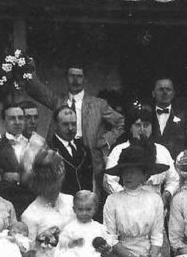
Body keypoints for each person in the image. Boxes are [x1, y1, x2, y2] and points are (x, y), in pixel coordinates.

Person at [26, 61, 123, 193]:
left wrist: (106, 139)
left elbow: (120, 122)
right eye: (72, 76)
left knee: (90, 195)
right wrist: (28, 70)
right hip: (62, 153)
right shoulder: (58, 101)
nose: (75, 80)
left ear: (85, 79)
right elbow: (37, 90)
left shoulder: (98, 104)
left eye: (79, 76)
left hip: (89, 156)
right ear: (66, 78)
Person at [102, 144, 168, 257]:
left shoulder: (154, 199)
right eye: (124, 172)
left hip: (149, 254)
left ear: (144, 175)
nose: (127, 176)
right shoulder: (113, 200)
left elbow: (157, 235)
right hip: (122, 255)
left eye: (133, 172)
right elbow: (110, 238)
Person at [104, 102, 179, 207]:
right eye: (138, 125)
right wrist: (127, 198)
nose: (142, 129)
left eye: (146, 125)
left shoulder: (162, 151)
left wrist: (166, 196)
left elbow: (174, 180)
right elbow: (109, 180)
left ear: (152, 127)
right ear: (130, 128)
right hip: (126, 205)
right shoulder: (119, 150)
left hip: (155, 206)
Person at [0, 103, 35, 215]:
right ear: (4, 122)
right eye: (12, 118)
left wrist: (18, 177)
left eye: (21, 118)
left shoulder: (36, 146)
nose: (17, 122)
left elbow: (46, 179)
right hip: (7, 209)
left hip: (35, 208)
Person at [48, 105, 94, 196]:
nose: (70, 128)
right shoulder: (48, 149)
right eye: (65, 124)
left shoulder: (84, 148)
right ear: (56, 125)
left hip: (84, 203)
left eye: (73, 124)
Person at [150, 77, 187, 156]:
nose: (165, 92)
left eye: (168, 89)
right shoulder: (147, 116)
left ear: (173, 94)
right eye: (160, 89)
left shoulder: (184, 116)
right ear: (153, 93)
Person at [20, 100, 48, 167]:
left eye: (35, 117)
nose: (33, 122)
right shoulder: (9, 142)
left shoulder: (42, 143)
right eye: (28, 117)